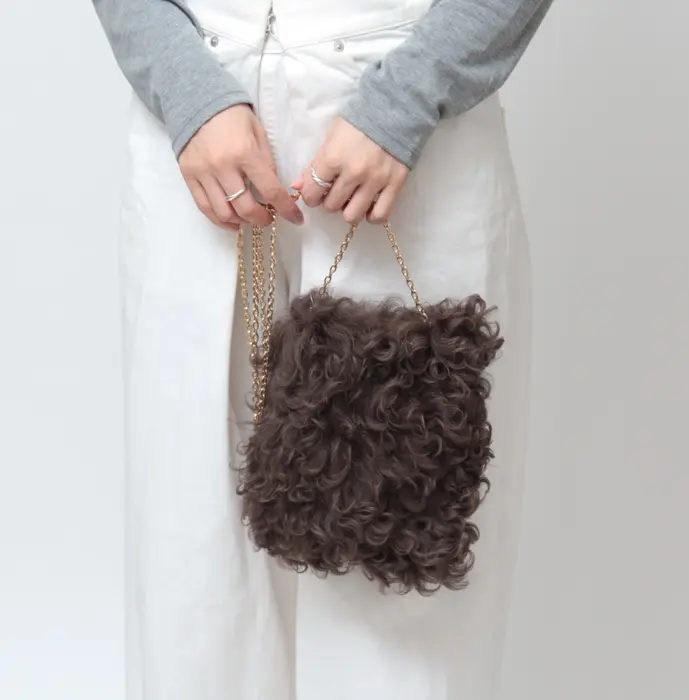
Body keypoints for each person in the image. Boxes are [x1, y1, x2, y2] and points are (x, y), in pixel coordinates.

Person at [93, 1, 552, 699]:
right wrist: (185, 87)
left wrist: (406, 98)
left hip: (407, 133)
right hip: (199, 134)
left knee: (402, 593)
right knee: (195, 586)